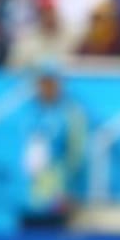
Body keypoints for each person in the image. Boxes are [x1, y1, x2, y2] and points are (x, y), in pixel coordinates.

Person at [18, 62, 87, 230]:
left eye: (51, 83)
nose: (47, 88)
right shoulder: (30, 112)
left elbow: (76, 155)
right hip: (29, 193)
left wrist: (71, 189)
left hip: (57, 191)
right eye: (43, 83)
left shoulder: (70, 114)